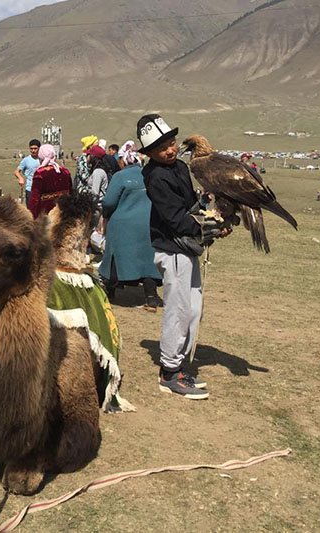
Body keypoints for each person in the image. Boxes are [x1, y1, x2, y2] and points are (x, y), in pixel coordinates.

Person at [139, 113, 226, 400]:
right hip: (172, 249)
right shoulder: (156, 177)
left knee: (192, 309)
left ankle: (177, 365)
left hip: (186, 248)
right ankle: (169, 372)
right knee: (177, 311)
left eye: (172, 142)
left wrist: (209, 212)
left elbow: (189, 205)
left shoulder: (178, 167)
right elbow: (175, 219)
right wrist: (207, 227)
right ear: (150, 153)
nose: (171, 149)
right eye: (162, 147)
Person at [98, 140, 162, 310]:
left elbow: (109, 202)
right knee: (148, 259)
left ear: (123, 159)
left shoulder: (120, 176)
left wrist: (104, 216)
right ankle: (151, 296)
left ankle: (110, 290)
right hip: (148, 223)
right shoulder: (148, 174)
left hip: (123, 225)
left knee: (114, 257)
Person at [28, 144, 71, 219]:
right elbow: (70, 192)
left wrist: (32, 216)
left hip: (45, 214)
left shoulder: (40, 173)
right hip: (64, 212)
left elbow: (34, 198)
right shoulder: (65, 171)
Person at [14, 139, 40, 205]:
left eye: (35, 148)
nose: (33, 150)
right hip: (30, 188)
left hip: (41, 188)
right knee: (30, 210)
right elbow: (16, 171)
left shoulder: (42, 159)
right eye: (31, 149)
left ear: (39, 148)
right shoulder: (26, 160)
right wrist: (20, 178)